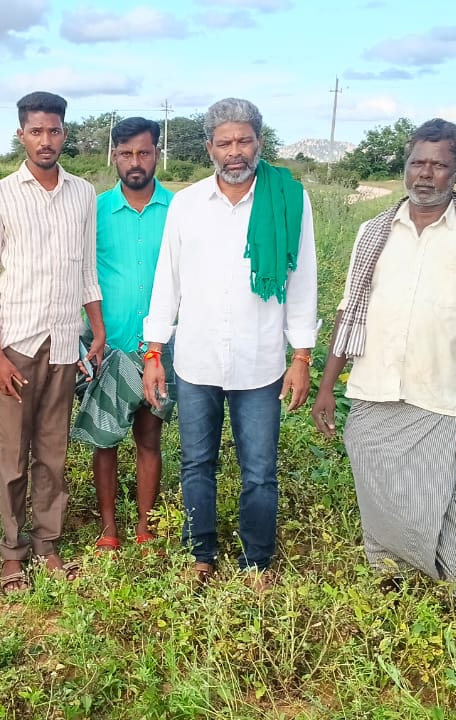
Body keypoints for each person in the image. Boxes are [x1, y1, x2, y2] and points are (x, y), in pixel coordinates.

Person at [311, 119, 456, 614]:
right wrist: (327, 386)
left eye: (439, 165)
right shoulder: (374, 231)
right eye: (418, 162)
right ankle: (391, 585)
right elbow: (349, 309)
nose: (426, 174)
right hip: (373, 386)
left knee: (446, 501)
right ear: (405, 166)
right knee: (377, 496)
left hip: (441, 393)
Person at [143, 97, 317, 585]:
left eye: (244, 140)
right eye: (224, 143)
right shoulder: (187, 203)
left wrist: (301, 355)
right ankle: (201, 554)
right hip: (196, 361)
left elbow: (302, 281)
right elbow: (167, 282)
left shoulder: (286, 199)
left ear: (260, 142)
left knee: (259, 469)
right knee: (196, 462)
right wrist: (154, 351)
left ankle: (257, 560)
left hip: (260, 362)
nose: (235, 151)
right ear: (209, 148)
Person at [0, 91, 104, 593]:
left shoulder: (83, 193)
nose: (45, 140)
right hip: (17, 347)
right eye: (36, 131)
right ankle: (12, 553)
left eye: (54, 131)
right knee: (13, 456)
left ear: (64, 134)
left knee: (53, 452)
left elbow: (86, 271)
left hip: (66, 342)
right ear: (21, 134)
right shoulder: (0, 196)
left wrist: (98, 330)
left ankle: (47, 543)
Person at [71, 116, 174, 551]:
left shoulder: (178, 210)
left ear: (156, 154)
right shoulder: (94, 211)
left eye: (144, 152)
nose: (136, 161)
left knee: (150, 438)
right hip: (107, 345)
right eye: (127, 153)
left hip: (158, 347)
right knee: (105, 438)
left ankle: (145, 526)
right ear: (113, 155)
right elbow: (77, 273)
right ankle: (109, 529)